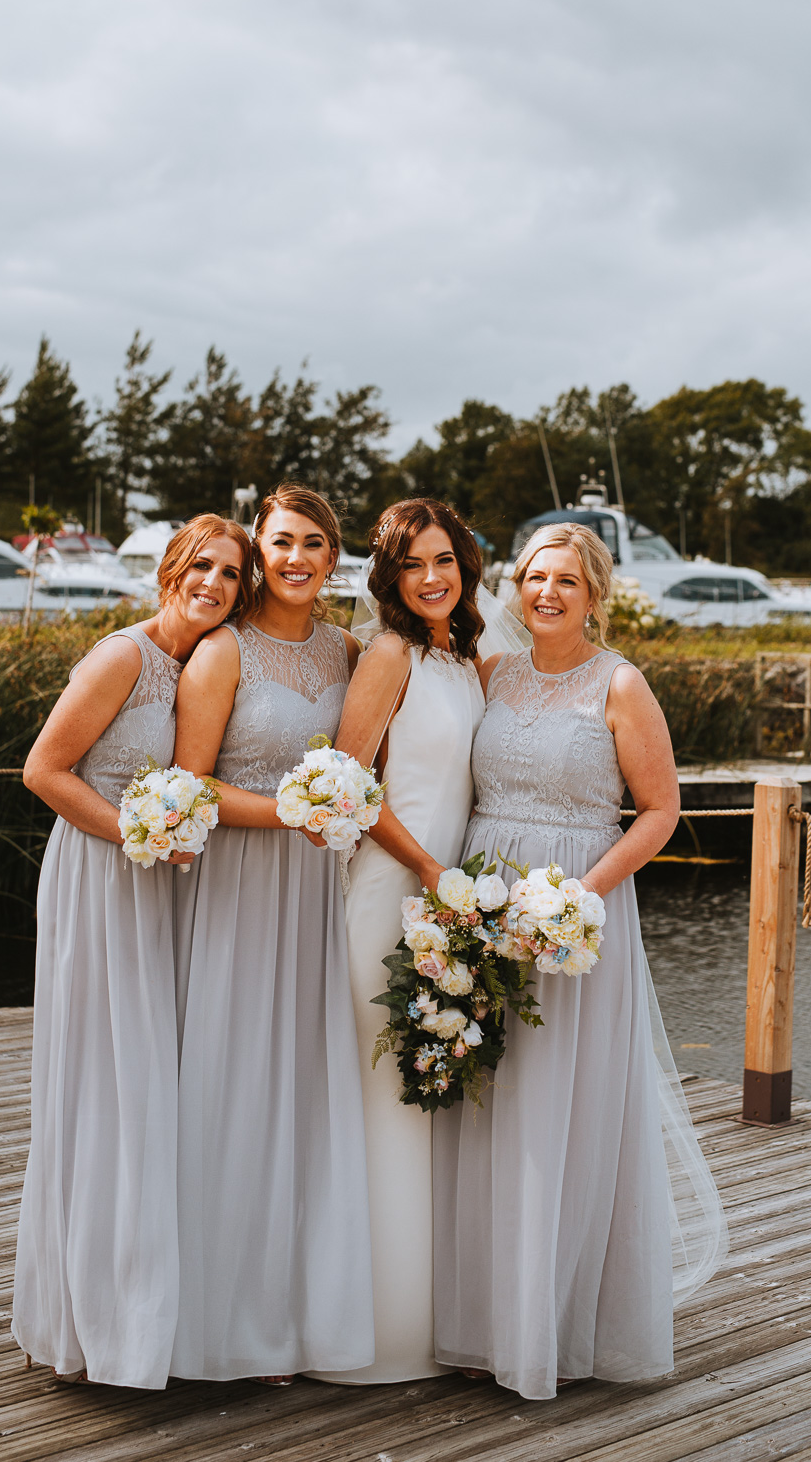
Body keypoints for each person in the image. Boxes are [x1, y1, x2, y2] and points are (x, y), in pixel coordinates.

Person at [433, 523, 727, 1400]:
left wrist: (579, 897)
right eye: (532, 577)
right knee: (491, 1102)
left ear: (594, 592)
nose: (544, 593)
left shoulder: (621, 684)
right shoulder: (494, 673)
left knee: (567, 1108)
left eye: (564, 579)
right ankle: (485, 1319)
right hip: (484, 902)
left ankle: (560, 1320)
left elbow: (659, 811)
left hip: (574, 916)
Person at [13, 514, 250, 1388]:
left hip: (153, 884)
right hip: (98, 877)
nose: (213, 584)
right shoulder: (124, 655)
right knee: (104, 1083)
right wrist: (133, 834)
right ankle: (90, 1321)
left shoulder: (202, 666)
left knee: (146, 1083)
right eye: (201, 566)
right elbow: (43, 770)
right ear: (169, 571)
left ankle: (142, 1310)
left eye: (229, 573)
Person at [170, 483, 374, 1385]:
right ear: (260, 548)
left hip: (314, 890)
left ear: (335, 560)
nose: (297, 559)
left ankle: (287, 1316)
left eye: (314, 545)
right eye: (282, 542)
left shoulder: (348, 650)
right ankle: (216, 1325)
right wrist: (293, 812)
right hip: (238, 881)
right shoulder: (222, 651)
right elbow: (190, 787)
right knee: (231, 1082)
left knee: (301, 1090)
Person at [308, 498, 487, 1385]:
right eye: (413, 564)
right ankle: (370, 1332)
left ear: (463, 565)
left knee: (427, 1096)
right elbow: (348, 787)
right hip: (391, 892)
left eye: (443, 560)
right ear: (389, 575)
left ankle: (432, 1314)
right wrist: (428, 870)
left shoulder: (459, 657)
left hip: (449, 897)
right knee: (383, 1096)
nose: (431, 577)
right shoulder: (386, 656)